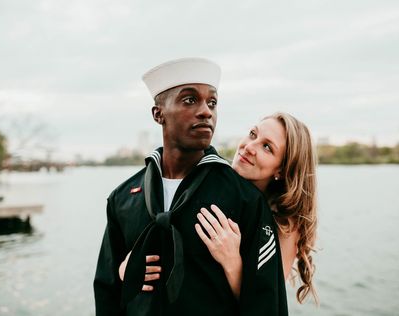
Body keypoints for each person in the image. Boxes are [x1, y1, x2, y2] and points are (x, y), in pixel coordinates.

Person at [94, 58, 288, 316]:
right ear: (158, 114)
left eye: (212, 103)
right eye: (189, 100)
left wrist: (234, 266)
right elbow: (105, 292)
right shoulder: (122, 199)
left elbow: (269, 304)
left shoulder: (245, 200)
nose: (206, 111)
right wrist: (122, 274)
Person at [120, 112, 319, 304]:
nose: (249, 147)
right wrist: (129, 268)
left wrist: (232, 262)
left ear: (282, 169)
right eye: (253, 134)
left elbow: (268, 302)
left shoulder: (285, 225)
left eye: (267, 147)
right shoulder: (206, 183)